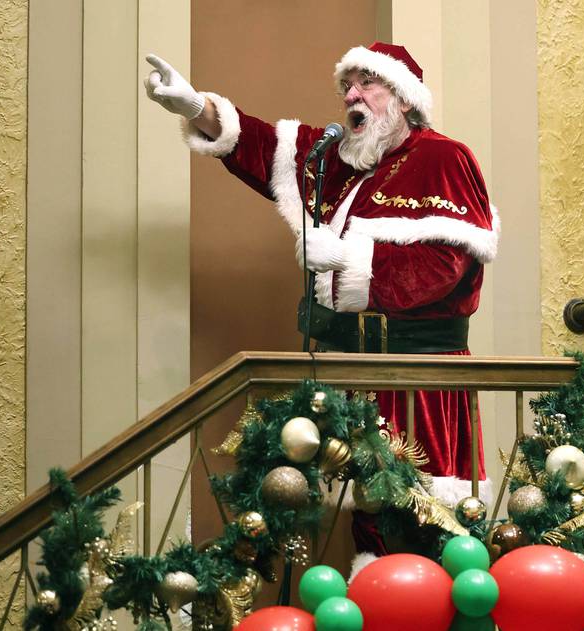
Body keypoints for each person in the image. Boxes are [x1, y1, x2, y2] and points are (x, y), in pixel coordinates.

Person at [144, 42, 499, 556]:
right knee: (368, 521)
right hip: (350, 370)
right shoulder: (336, 157)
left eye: (366, 84)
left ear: (402, 97)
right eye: (346, 86)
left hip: (420, 375)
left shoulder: (445, 157)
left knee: (430, 520)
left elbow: (445, 266)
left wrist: (349, 260)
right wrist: (196, 107)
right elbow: (261, 143)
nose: (352, 96)